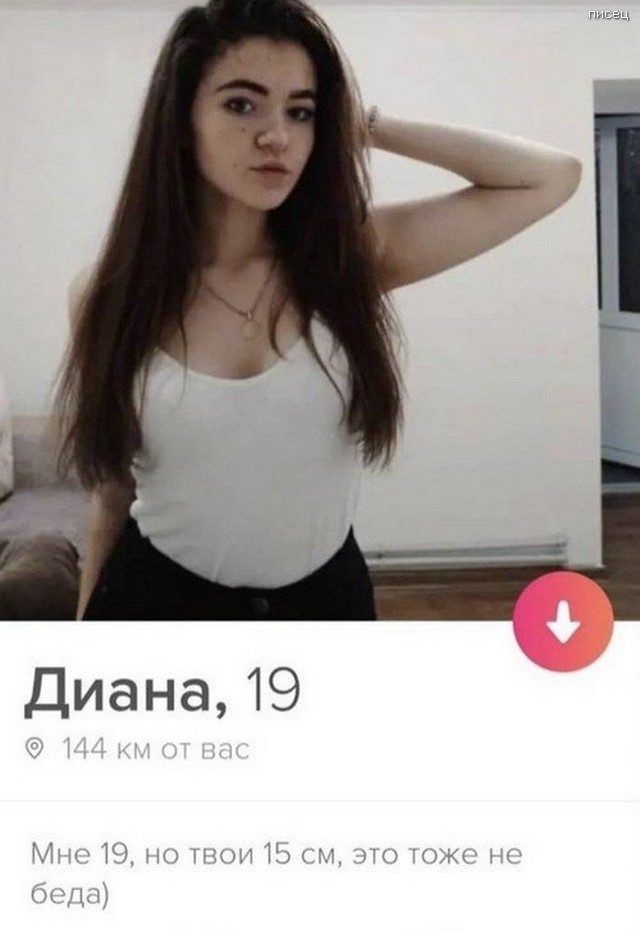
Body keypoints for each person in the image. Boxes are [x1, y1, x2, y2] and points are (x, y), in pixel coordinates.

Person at [55, 0, 582, 621]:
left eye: (301, 111)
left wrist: (367, 124)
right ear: (180, 119)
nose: (276, 136)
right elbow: (111, 494)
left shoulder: (348, 260)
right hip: (159, 605)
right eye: (241, 104)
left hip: (324, 603)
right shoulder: (112, 294)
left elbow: (550, 177)